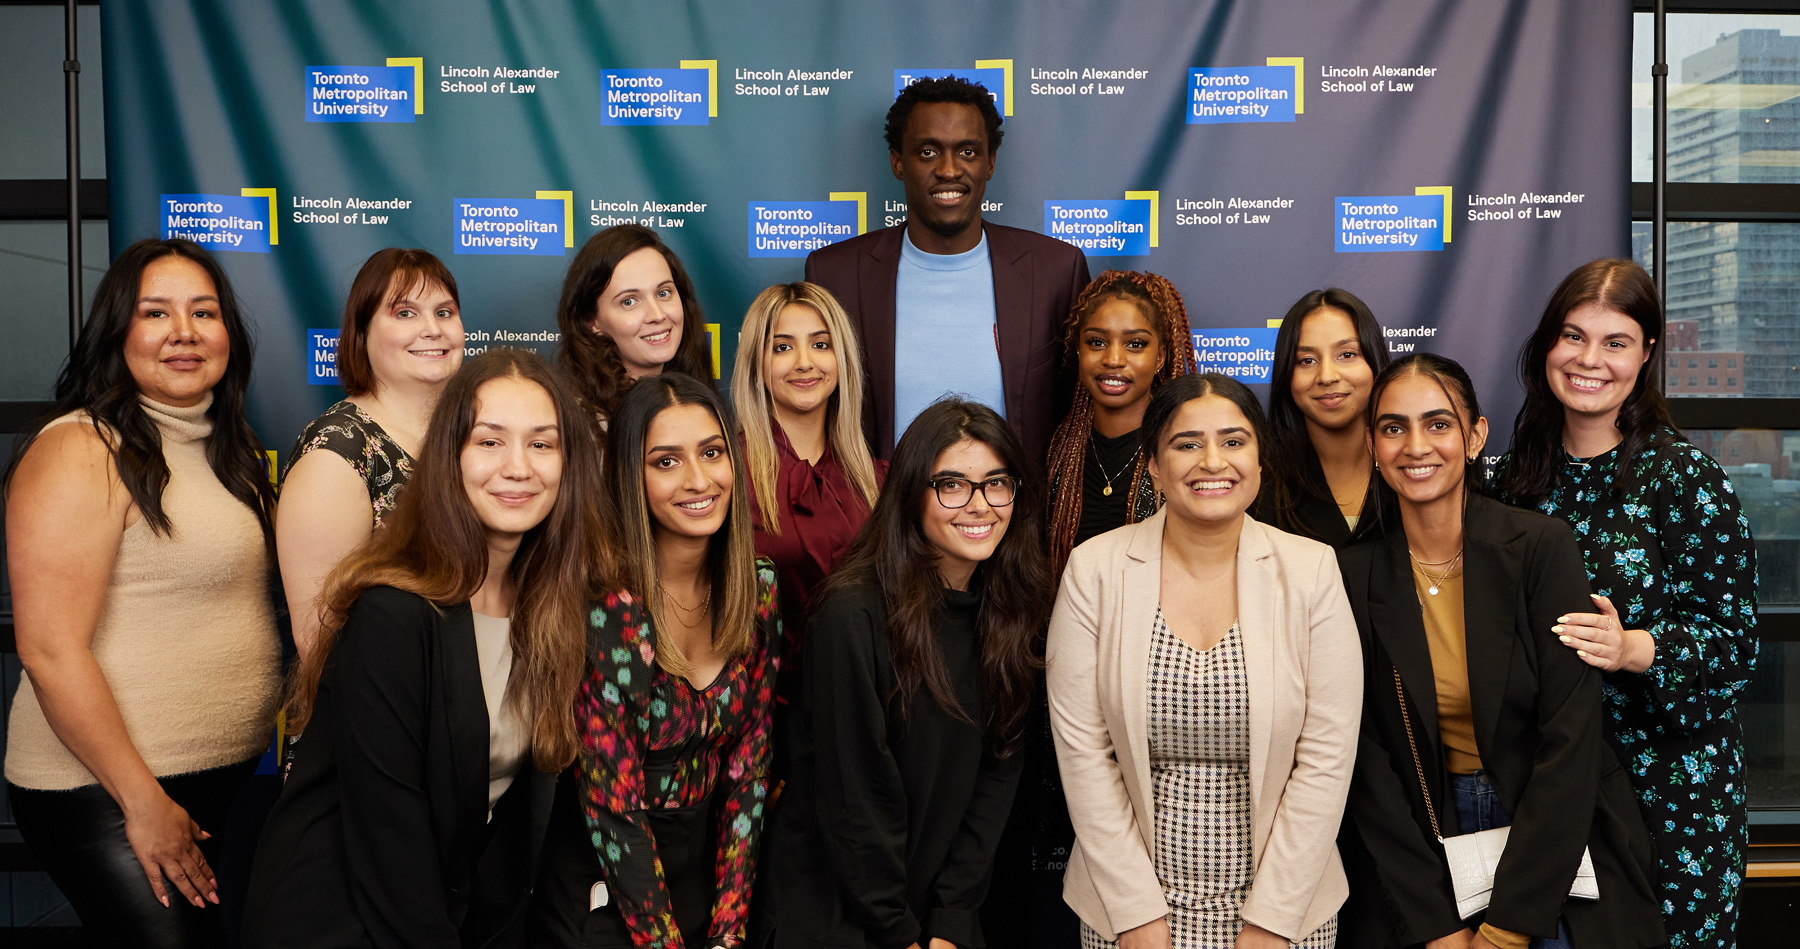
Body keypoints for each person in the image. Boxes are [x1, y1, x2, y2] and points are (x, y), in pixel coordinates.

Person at [243, 348, 612, 947]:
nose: (518, 467)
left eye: (542, 444)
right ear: (449, 458)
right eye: (490, 442)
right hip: (339, 919)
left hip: (445, 912)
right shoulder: (391, 613)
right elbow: (391, 842)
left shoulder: (556, 609)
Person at [4, 238, 281, 947]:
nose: (184, 332)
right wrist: (142, 799)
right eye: (155, 312)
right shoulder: (80, 448)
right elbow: (48, 647)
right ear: (116, 330)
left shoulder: (226, 448)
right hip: (107, 789)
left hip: (221, 781)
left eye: (204, 312)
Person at [1338, 354, 1663, 949]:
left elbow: (1571, 739)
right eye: (1393, 428)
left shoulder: (1540, 547)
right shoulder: (1349, 574)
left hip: (1553, 833)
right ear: (1372, 444)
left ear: (1475, 436)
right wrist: (1437, 929)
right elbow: (1368, 766)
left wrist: (1506, 931)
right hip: (1426, 840)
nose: (1416, 446)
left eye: (1438, 424)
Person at [1494, 258, 1757, 949]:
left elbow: (1734, 647)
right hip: (1549, 790)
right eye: (1573, 336)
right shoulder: (1518, 476)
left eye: (1615, 342)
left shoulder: (1683, 477)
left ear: (1646, 353)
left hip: (1670, 797)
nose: (1589, 359)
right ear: (1546, 345)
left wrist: (1632, 646)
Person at [1048, 373, 1361, 949]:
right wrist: (1136, 916)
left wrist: (1272, 922)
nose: (1212, 461)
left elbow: (1326, 759)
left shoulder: (1312, 571)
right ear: (1152, 465)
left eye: (1235, 441)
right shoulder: (1094, 571)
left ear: (1262, 460)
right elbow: (1084, 756)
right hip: (1128, 912)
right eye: (1186, 443)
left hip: (1284, 911)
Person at [754, 398, 1051, 949]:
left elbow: (999, 770)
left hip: (935, 919)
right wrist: (899, 931)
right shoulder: (851, 614)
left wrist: (951, 917)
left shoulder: (1011, 609)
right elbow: (853, 794)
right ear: (911, 493)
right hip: (834, 915)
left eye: (996, 483)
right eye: (953, 485)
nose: (979, 505)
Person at [531, 372, 780, 949]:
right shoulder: (610, 608)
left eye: (712, 452)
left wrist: (728, 932)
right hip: (609, 882)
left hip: (707, 871)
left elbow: (750, 772)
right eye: (666, 461)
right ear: (630, 476)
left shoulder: (759, 588)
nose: (698, 479)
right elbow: (611, 808)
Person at [805, 76, 1092, 464]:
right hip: (879, 517)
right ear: (897, 162)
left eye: (968, 152)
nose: (949, 169)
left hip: (1012, 515)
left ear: (989, 163)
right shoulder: (834, 274)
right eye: (927, 152)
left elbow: (1080, 413)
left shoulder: (1056, 270)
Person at [278, 247, 464, 661]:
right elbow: (319, 640)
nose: (432, 329)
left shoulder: (469, 438)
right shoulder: (336, 452)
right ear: (361, 334)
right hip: (382, 713)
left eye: (445, 312)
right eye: (405, 313)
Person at [730, 281, 885, 702]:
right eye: (782, 347)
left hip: (863, 709)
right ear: (756, 365)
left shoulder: (879, 482)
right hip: (759, 717)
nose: (804, 362)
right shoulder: (724, 474)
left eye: (820, 344)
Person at [1045, 270, 1199, 577]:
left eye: (1135, 344)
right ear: (1079, 350)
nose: (1114, 359)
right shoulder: (1058, 451)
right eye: (1097, 342)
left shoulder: (1188, 452)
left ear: (1160, 357)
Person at [1252, 289, 1390, 546]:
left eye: (1347, 355)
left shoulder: (1411, 466)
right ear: (1286, 375)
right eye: (1306, 360)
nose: (1327, 376)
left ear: (1375, 364)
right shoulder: (1256, 484)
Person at [555, 223, 715, 424]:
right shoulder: (579, 426)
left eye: (663, 293)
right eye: (629, 301)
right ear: (591, 322)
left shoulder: (698, 401)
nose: (657, 315)